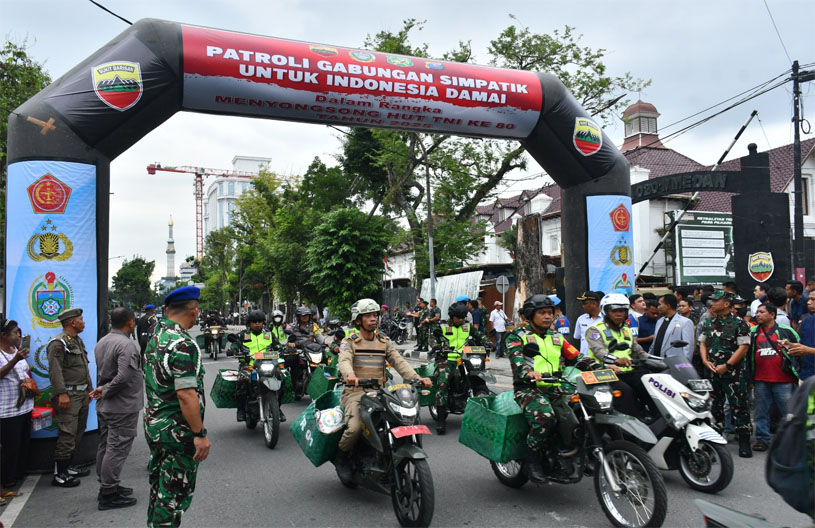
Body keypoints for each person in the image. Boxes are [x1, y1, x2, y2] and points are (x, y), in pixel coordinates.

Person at [506, 295, 624, 482]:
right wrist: (529, 372)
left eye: (550, 313)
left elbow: (577, 357)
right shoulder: (518, 336)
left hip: (558, 386)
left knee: (586, 410)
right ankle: (532, 459)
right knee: (545, 417)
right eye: (542, 313)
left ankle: (572, 451)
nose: (547, 316)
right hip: (529, 388)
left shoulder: (556, 337)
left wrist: (602, 367)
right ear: (530, 314)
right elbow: (518, 361)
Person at [333, 299, 430, 480]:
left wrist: (417, 378)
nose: (372, 319)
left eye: (375, 315)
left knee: (402, 419)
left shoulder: (384, 341)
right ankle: (342, 457)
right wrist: (350, 376)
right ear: (358, 320)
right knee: (354, 428)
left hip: (381, 391)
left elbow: (398, 362)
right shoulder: (350, 341)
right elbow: (344, 360)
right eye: (367, 316)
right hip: (356, 392)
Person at [144, 286, 209, 527]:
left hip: (155, 425)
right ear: (194, 312)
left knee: (160, 488)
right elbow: (186, 396)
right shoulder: (182, 344)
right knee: (174, 494)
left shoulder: (156, 337)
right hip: (176, 431)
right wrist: (199, 434)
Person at [90, 307, 141, 509]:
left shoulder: (103, 341)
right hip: (121, 405)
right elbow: (123, 378)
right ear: (130, 322)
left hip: (107, 405)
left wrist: (104, 391)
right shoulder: (126, 345)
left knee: (106, 445)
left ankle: (107, 484)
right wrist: (105, 389)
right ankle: (108, 492)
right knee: (116, 448)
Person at [698, 290, 753, 458]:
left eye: (716, 300)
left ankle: (744, 440)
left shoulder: (739, 323)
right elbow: (702, 343)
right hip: (713, 373)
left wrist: (727, 365)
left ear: (727, 304)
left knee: (739, 407)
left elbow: (743, 348)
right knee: (714, 407)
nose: (712, 303)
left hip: (734, 374)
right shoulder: (708, 322)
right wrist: (705, 361)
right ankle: (714, 443)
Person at [48, 307, 93, 487]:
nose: (83, 322)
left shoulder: (76, 341)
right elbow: (55, 371)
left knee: (77, 431)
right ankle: (60, 474)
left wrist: (89, 389)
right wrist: (61, 394)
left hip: (81, 394)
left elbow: (83, 367)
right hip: (69, 394)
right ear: (72, 322)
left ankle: (69, 466)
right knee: (67, 433)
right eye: (81, 319)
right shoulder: (58, 343)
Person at [584, 293, 651, 415]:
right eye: (614, 311)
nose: (619, 314)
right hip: (604, 373)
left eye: (622, 311)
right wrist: (616, 360)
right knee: (626, 391)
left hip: (627, 371)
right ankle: (632, 423)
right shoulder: (595, 330)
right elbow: (599, 352)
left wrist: (658, 360)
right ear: (606, 312)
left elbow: (639, 351)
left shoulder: (626, 331)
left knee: (649, 385)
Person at [746, 303, 800, 452]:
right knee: (761, 411)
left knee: (788, 412)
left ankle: (791, 441)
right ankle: (762, 439)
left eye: (762, 312)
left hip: (784, 381)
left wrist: (796, 371)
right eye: (757, 312)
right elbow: (747, 355)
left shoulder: (786, 331)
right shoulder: (753, 332)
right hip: (760, 380)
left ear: (772, 314)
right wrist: (750, 378)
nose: (758, 314)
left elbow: (799, 350)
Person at [433, 301, 485, 434]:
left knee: (479, 375)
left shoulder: (468, 326)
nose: (462, 320)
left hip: (464, 359)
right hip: (447, 359)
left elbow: (480, 336)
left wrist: (487, 342)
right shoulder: (442, 326)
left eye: (463, 317)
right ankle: (440, 420)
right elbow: (432, 338)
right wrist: (437, 346)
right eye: (459, 317)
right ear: (452, 316)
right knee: (443, 383)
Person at [0, 318, 35, 499]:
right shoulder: (8, 354)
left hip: (23, 407)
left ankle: (13, 477)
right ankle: (4, 483)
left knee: (21, 445)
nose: (18, 336)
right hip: (6, 410)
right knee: (8, 448)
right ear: (3, 335)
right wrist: (15, 360)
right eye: (14, 333)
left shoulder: (16, 351)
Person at [234, 310, 278, 422]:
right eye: (254, 321)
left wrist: (286, 348)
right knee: (242, 381)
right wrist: (234, 351)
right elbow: (234, 346)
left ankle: (277, 408)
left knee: (283, 379)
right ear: (249, 323)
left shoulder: (269, 334)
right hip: (249, 366)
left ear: (263, 323)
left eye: (260, 321)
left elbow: (278, 346)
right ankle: (241, 409)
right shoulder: (243, 335)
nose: (257, 323)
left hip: (268, 364)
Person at [651, 294, 695, 360]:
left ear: (668, 305)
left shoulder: (685, 322)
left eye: (660, 304)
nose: (658, 307)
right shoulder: (659, 321)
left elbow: (688, 347)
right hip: (657, 361)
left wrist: (685, 364)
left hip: (674, 363)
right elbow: (655, 342)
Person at [573, 291, 603, 357]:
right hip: (585, 359)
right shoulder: (581, 319)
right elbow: (577, 337)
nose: (583, 306)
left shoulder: (605, 319)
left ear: (594, 304)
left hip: (601, 359)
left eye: (585, 303)